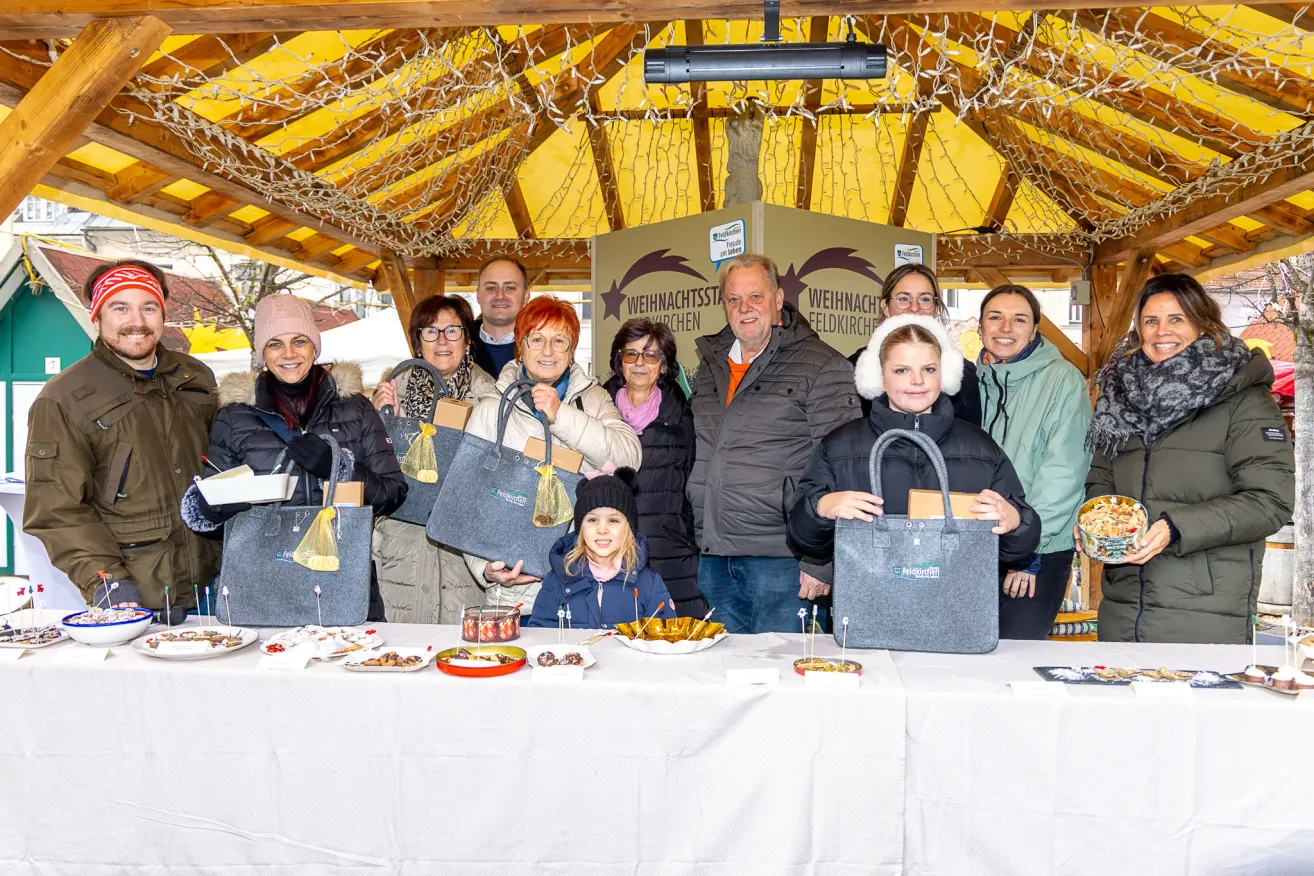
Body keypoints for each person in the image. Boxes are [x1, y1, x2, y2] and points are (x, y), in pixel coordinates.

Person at [1083, 273, 1294, 644]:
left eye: (1176, 319)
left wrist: (1175, 527)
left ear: (1203, 323)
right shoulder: (1120, 397)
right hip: (1122, 607)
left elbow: (1270, 502)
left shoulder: (1243, 400)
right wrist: (1097, 520)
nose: (1162, 331)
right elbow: (1103, 476)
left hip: (1205, 612)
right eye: (1151, 321)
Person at [179, 294, 407, 621]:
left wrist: (339, 471)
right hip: (266, 581)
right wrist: (212, 507)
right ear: (262, 354)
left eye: (299, 341)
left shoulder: (355, 407)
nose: (289, 353)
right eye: (275, 344)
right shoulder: (235, 417)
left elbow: (394, 493)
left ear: (315, 347)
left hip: (343, 577)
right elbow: (212, 521)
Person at [24, 259, 217, 617]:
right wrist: (106, 579)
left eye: (148, 307)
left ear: (162, 314)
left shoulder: (195, 376)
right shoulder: (63, 398)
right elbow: (55, 509)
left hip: (216, 583)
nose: (137, 322)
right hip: (137, 594)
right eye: (120, 307)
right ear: (97, 317)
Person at [688, 253, 862, 634]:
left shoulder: (821, 364)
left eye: (756, 297)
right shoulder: (710, 366)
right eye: (733, 299)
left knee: (788, 681)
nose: (744, 308)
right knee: (723, 681)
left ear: (779, 299)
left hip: (784, 561)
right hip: (714, 558)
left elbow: (845, 466)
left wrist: (821, 562)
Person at [788, 315, 1040, 576]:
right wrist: (821, 508)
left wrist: (1016, 523)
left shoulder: (982, 449)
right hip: (871, 606)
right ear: (881, 378)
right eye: (902, 370)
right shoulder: (839, 447)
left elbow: (1017, 547)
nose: (917, 380)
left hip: (957, 608)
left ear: (943, 374)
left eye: (929, 369)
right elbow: (802, 537)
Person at [463, 295, 642, 608]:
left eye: (560, 340)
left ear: (571, 352)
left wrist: (562, 415)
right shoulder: (491, 411)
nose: (548, 351)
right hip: (519, 594)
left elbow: (630, 458)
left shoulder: (593, 399)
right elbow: (466, 498)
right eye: (537, 339)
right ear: (520, 347)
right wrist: (486, 569)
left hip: (588, 588)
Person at [371, 294, 497, 624]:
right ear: (418, 342)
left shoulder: (492, 399)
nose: (442, 340)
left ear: (468, 340)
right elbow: (371, 475)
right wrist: (382, 421)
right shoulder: (391, 392)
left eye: (452, 331)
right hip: (401, 550)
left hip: (464, 556)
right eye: (430, 331)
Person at [976, 284, 1091, 639]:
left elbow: (1064, 472)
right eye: (995, 317)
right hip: (975, 544)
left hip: (1038, 550)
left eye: (1019, 319)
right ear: (979, 327)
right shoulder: (967, 381)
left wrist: (1027, 552)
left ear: (1035, 329)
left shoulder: (1062, 379)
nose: (1006, 328)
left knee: (1015, 660)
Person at [603, 318, 703, 618]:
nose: (639, 363)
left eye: (651, 355)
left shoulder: (685, 417)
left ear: (663, 365)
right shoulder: (595, 412)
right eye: (630, 354)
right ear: (619, 362)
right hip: (608, 554)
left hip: (671, 557)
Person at [526, 469, 675, 629]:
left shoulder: (648, 583)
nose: (602, 529)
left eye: (613, 520)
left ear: (629, 528)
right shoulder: (558, 580)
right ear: (580, 528)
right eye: (592, 519)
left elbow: (665, 640)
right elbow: (540, 636)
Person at [847, 263, 980, 426]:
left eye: (925, 299)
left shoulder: (963, 375)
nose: (915, 308)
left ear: (936, 308)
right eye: (903, 299)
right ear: (885, 307)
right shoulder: (851, 370)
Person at [471, 256, 529, 379]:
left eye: (510, 288)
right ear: (478, 295)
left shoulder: (544, 347)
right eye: (491, 288)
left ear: (526, 296)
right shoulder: (454, 344)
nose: (500, 295)